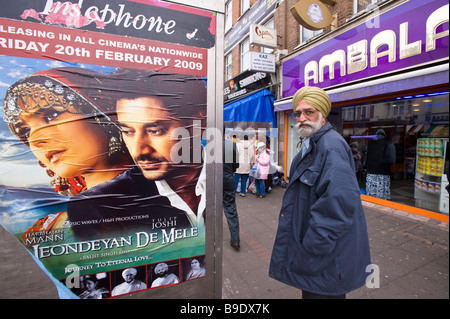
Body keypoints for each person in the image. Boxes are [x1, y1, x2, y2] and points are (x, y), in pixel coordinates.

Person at [3, 67, 133, 240]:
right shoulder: (46, 230)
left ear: (101, 113)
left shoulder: (170, 198)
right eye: (25, 131)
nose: (35, 140)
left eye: (52, 115)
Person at [269, 86, 371, 299]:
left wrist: (311, 250)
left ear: (323, 116)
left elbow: (339, 206)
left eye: (309, 112)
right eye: (297, 113)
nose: (302, 118)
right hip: (320, 256)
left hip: (325, 258)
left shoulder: (329, 146)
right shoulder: (312, 144)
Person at [112, 69, 207, 229]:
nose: (138, 151)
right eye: (128, 132)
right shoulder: (104, 204)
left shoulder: (222, 173)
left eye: (155, 131)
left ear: (198, 124)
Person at [365, 129, 395, 200]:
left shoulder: (370, 143)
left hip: (371, 172)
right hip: (383, 172)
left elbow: (366, 157)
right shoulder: (388, 144)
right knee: (381, 192)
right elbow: (392, 159)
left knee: (371, 192)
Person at [223, 138, 240, 250]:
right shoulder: (231, 145)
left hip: (211, 181)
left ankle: (208, 238)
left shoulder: (207, 145)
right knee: (230, 209)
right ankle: (235, 240)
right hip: (227, 179)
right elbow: (236, 164)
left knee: (209, 210)